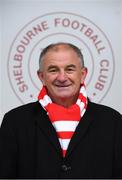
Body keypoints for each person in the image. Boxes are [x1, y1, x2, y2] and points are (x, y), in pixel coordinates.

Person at [0, 42, 122, 179]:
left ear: (82, 74)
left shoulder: (113, 121)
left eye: (69, 69)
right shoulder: (14, 122)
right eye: (53, 70)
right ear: (41, 77)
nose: (62, 78)